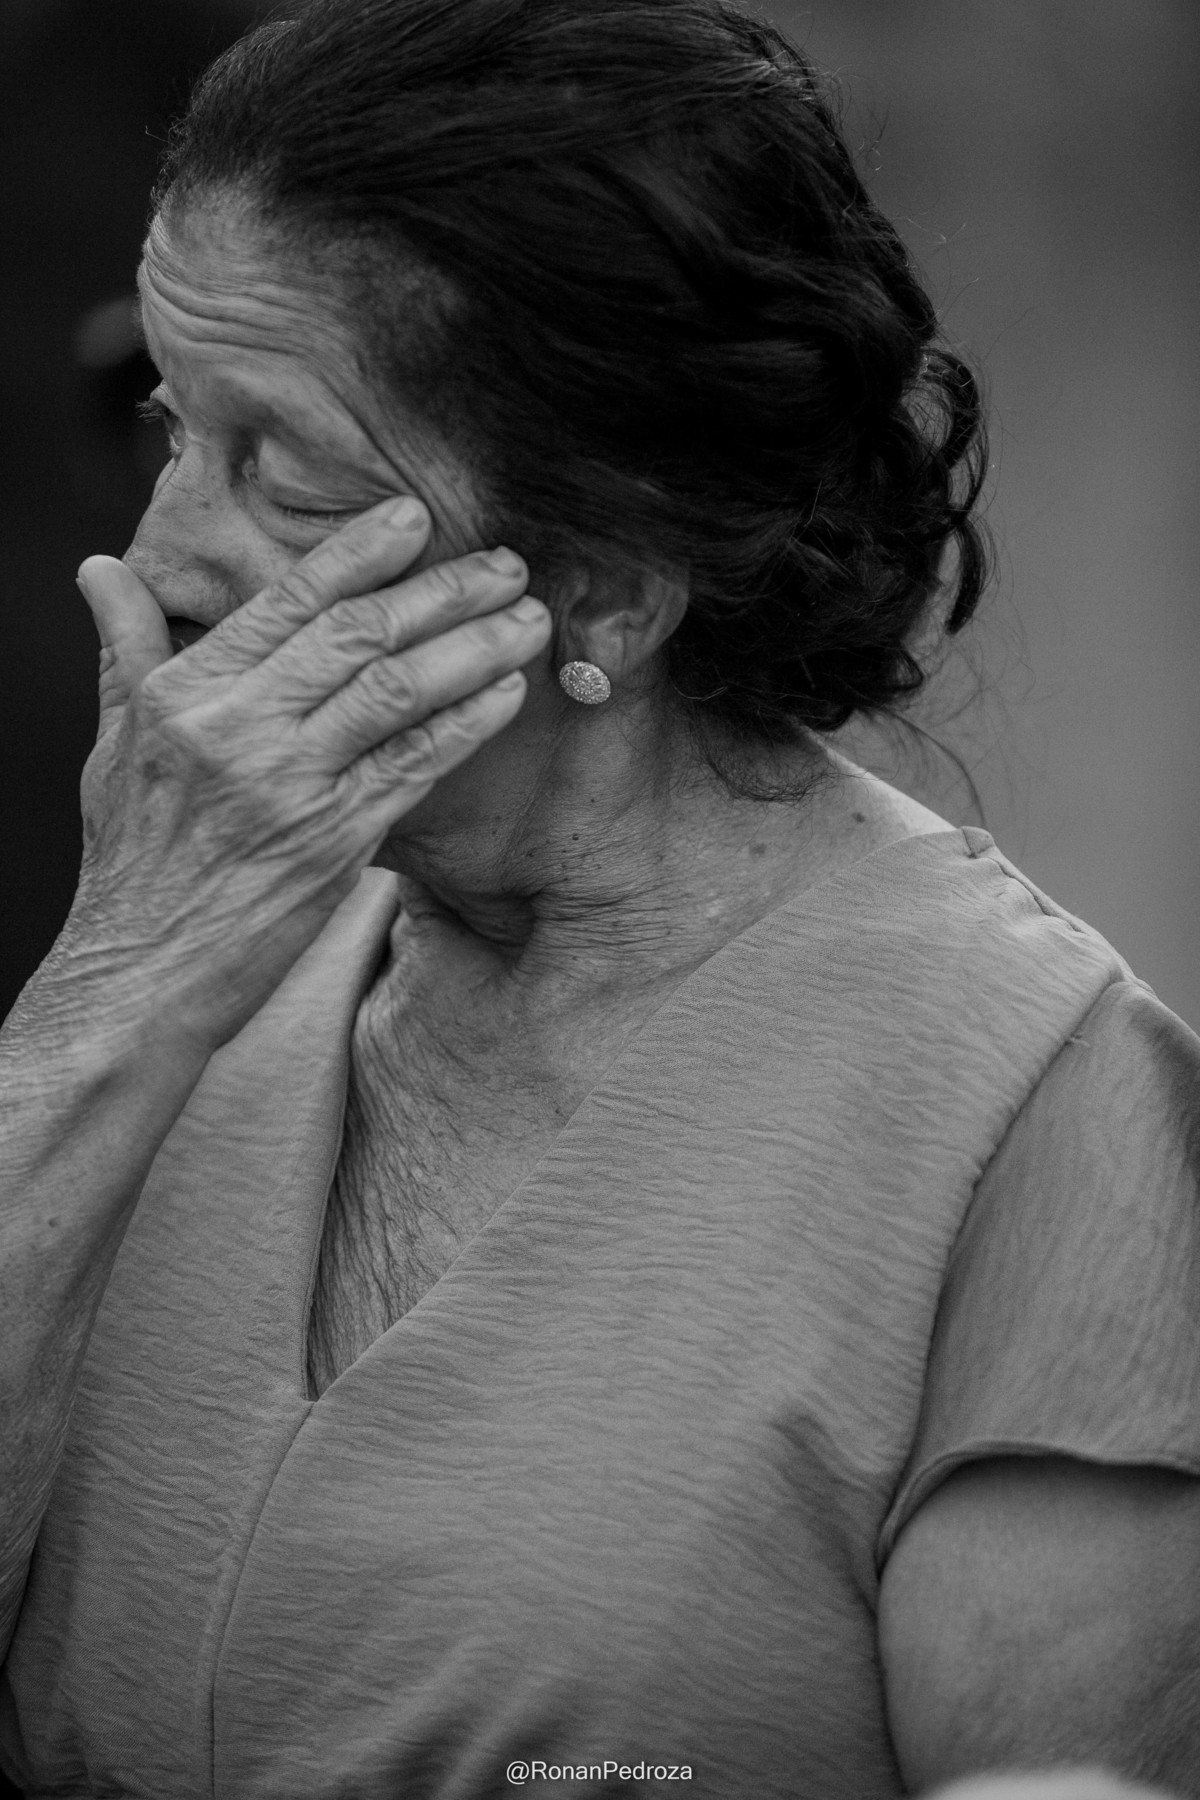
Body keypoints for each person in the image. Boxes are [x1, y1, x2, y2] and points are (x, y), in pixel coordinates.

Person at [1, 0, 1197, 1795]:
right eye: (173, 426)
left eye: (285, 473)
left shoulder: (1034, 1105)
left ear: (608, 593)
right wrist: (114, 994)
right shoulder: (178, 983)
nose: (157, 558)